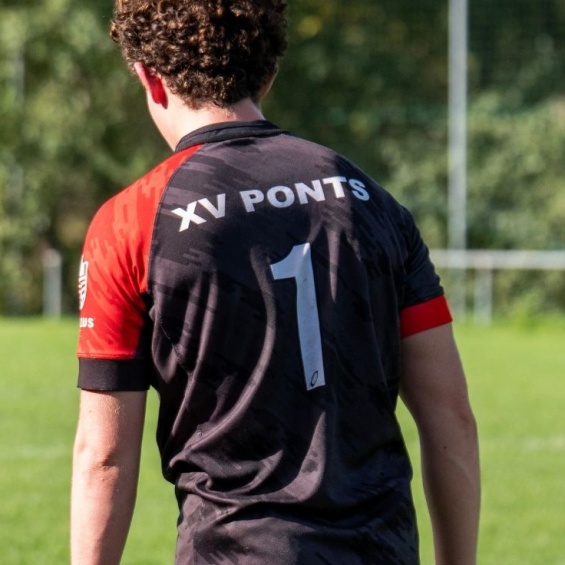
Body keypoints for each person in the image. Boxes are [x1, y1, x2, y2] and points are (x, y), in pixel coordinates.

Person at [71, 1, 480, 563]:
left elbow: (105, 458)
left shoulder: (129, 222)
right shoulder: (370, 200)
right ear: (269, 73)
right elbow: (452, 417)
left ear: (148, 76)